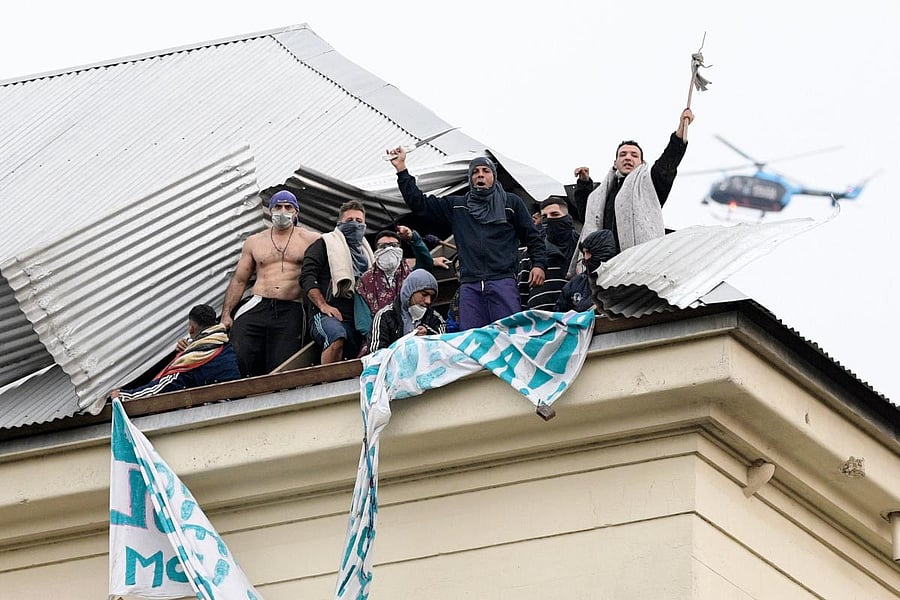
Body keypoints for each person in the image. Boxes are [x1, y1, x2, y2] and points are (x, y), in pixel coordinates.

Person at [389, 149, 546, 330]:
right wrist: (401, 169)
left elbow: (533, 236)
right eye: (475, 172)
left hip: (502, 281)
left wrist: (539, 264)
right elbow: (420, 203)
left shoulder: (511, 203)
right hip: (470, 286)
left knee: (508, 337)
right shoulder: (457, 205)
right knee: (472, 340)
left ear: (494, 176)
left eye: (485, 171)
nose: (480, 175)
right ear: (470, 178)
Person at [569, 107, 694, 276]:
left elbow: (667, 164)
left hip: (637, 266)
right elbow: (588, 216)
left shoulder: (650, 186)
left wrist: (680, 131)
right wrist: (584, 185)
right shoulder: (601, 193)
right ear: (615, 163)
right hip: (601, 268)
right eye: (623, 154)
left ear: (642, 163)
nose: (628, 157)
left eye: (634, 155)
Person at [221, 190, 320, 377]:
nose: (283, 211)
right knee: (239, 355)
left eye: (288, 207)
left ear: (296, 212)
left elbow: (324, 274)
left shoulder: (311, 239)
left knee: (282, 365)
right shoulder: (255, 241)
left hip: (291, 308)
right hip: (258, 304)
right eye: (278, 207)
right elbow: (239, 280)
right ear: (271, 210)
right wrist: (226, 314)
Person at [109, 305, 241, 400]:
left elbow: (166, 385)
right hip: (235, 401)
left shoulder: (196, 357)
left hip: (218, 407)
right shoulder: (224, 343)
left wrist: (127, 395)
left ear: (191, 328)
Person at [301, 200, 374, 364]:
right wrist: (323, 305)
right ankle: (326, 386)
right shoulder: (324, 244)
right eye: (349, 221)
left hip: (359, 319)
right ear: (339, 223)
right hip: (328, 315)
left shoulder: (368, 255)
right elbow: (307, 277)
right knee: (336, 336)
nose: (355, 225)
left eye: (359, 221)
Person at [355, 225, 433, 338]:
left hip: (413, 335)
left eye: (394, 245)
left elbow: (426, 264)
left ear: (400, 250)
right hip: (378, 340)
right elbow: (363, 323)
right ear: (376, 251)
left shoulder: (411, 274)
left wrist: (413, 238)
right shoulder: (364, 282)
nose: (389, 249)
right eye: (383, 246)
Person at [517, 196, 580, 311]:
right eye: (545, 217)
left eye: (555, 214)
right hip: (539, 321)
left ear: (567, 218)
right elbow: (522, 292)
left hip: (576, 318)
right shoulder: (532, 252)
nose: (549, 219)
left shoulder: (581, 248)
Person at [367, 269, 445, 353]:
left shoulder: (436, 318)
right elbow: (376, 354)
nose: (428, 301)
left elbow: (444, 347)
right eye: (424, 294)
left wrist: (428, 334)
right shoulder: (384, 316)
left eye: (432, 297)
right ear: (410, 291)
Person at [556, 230, 618, 313]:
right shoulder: (575, 284)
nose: (585, 258)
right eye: (584, 253)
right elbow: (560, 315)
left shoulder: (621, 283)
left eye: (588, 252)